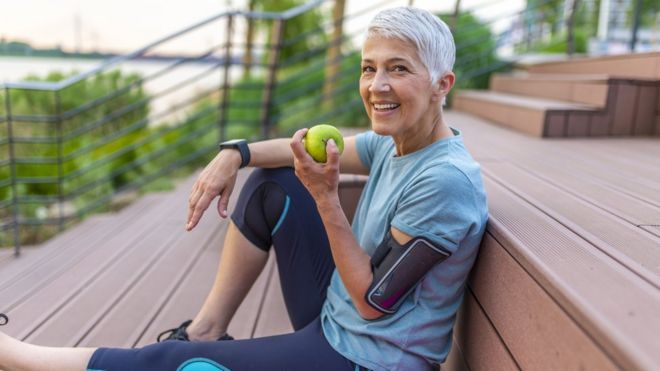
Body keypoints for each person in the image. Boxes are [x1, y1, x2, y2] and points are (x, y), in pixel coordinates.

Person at [0, 6, 487, 371]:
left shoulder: (444, 182)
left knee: (178, 364)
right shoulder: (397, 143)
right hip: (340, 320)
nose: (376, 84)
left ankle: (14, 358)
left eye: (398, 69)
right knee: (271, 182)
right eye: (368, 68)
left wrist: (325, 198)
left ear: (442, 84)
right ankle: (207, 329)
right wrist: (234, 153)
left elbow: (373, 302)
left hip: (367, 357)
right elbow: (286, 150)